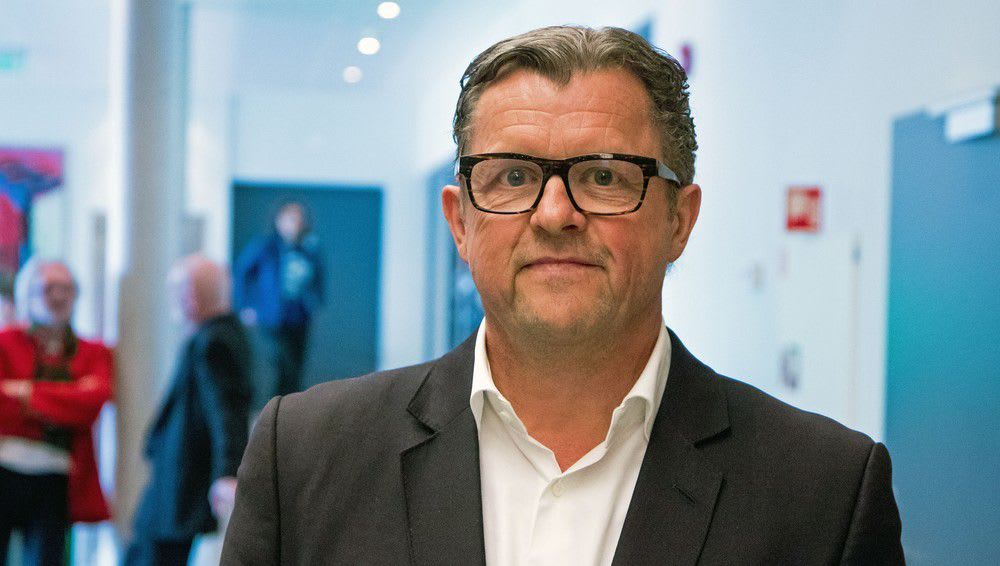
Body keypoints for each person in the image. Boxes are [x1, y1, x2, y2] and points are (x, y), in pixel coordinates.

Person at [222, 26, 904, 564]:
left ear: (679, 220)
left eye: (605, 177)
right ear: (460, 223)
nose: (554, 214)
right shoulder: (304, 459)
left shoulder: (824, 494)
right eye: (513, 176)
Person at [126, 255, 252, 566]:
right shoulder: (215, 335)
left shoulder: (214, 341)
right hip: (176, 484)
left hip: (182, 484)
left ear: (190, 296)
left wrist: (227, 472)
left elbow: (226, 411)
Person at [0, 259, 113, 566]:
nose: (58, 296)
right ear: (28, 294)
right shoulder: (5, 343)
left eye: (66, 288)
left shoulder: (93, 352)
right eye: (49, 288)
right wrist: (64, 397)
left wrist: (24, 393)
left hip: (57, 478)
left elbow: (89, 404)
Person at [233, 201, 323, 408]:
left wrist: (316, 302)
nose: (295, 223)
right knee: (283, 366)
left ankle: (293, 412)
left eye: (298, 219)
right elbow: (242, 272)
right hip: (274, 319)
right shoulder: (266, 246)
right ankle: (276, 413)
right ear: (279, 220)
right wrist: (246, 305)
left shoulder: (310, 247)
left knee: (296, 368)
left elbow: (318, 277)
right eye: (290, 218)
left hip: (300, 318)